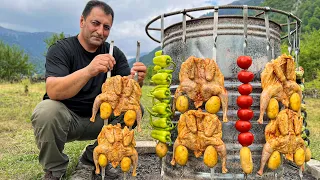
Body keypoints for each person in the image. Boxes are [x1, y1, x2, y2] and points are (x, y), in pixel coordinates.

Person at [31, 1, 147, 179]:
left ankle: (90, 158)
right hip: (67, 120)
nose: (101, 32)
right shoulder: (61, 49)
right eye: (95, 23)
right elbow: (53, 91)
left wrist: (137, 81)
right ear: (82, 21)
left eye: (106, 27)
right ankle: (55, 170)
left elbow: (127, 94)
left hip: (101, 122)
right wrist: (89, 70)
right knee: (46, 111)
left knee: (135, 109)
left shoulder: (114, 53)